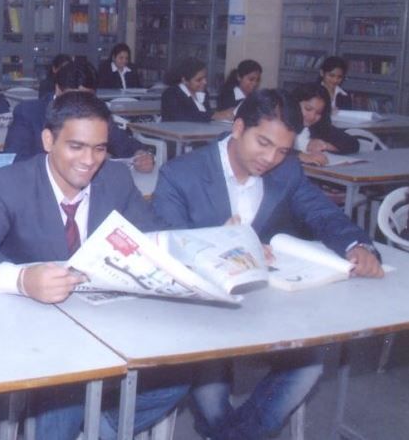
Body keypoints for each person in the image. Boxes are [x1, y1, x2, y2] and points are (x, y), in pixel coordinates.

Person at [0, 90, 187, 440]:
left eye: (100, 148)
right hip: (37, 327)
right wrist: (23, 278)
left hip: (106, 319)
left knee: (180, 374)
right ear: (48, 140)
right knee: (70, 389)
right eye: (76, 146)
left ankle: (96, 429)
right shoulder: (10, 183)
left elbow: (152, 236)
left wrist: (210, 246)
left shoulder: (116, 180)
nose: (89, 160)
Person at [152, 89, 383, 440]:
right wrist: (222, 244)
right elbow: (164, 243)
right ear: (238, 127)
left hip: (266, 302)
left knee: (309, 363)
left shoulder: (286, 169)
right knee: (212, 391)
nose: (271, 158)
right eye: (263, 143)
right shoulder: (181, 173)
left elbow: (321, 213)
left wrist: (358, 245)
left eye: (282, 150)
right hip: (203, 309)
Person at [4, 60, 154, 172]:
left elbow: (126, 146)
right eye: (73, 97)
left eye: (86, 98)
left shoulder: (98, 115)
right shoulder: (28, 113)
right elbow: (15, 161)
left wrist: (142, 156)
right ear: (58, 89)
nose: (80, 105)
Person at [291, 83, 359, 165]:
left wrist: (325, 146)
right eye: (308, 109)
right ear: (294, 103)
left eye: (318, 113)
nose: (312, 117)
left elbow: (353, 144)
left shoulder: (317, 126)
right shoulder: (282, 123)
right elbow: (279, 149)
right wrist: (303, 152)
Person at [160, 57, 232, 122]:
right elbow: (181, 118)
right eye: (199, 80)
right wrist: (213, 115)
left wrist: (223, 114)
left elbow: (205, 117)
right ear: (184, 80)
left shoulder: (203, 93)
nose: (205, 82)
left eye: (205, 78)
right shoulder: (171, 94)